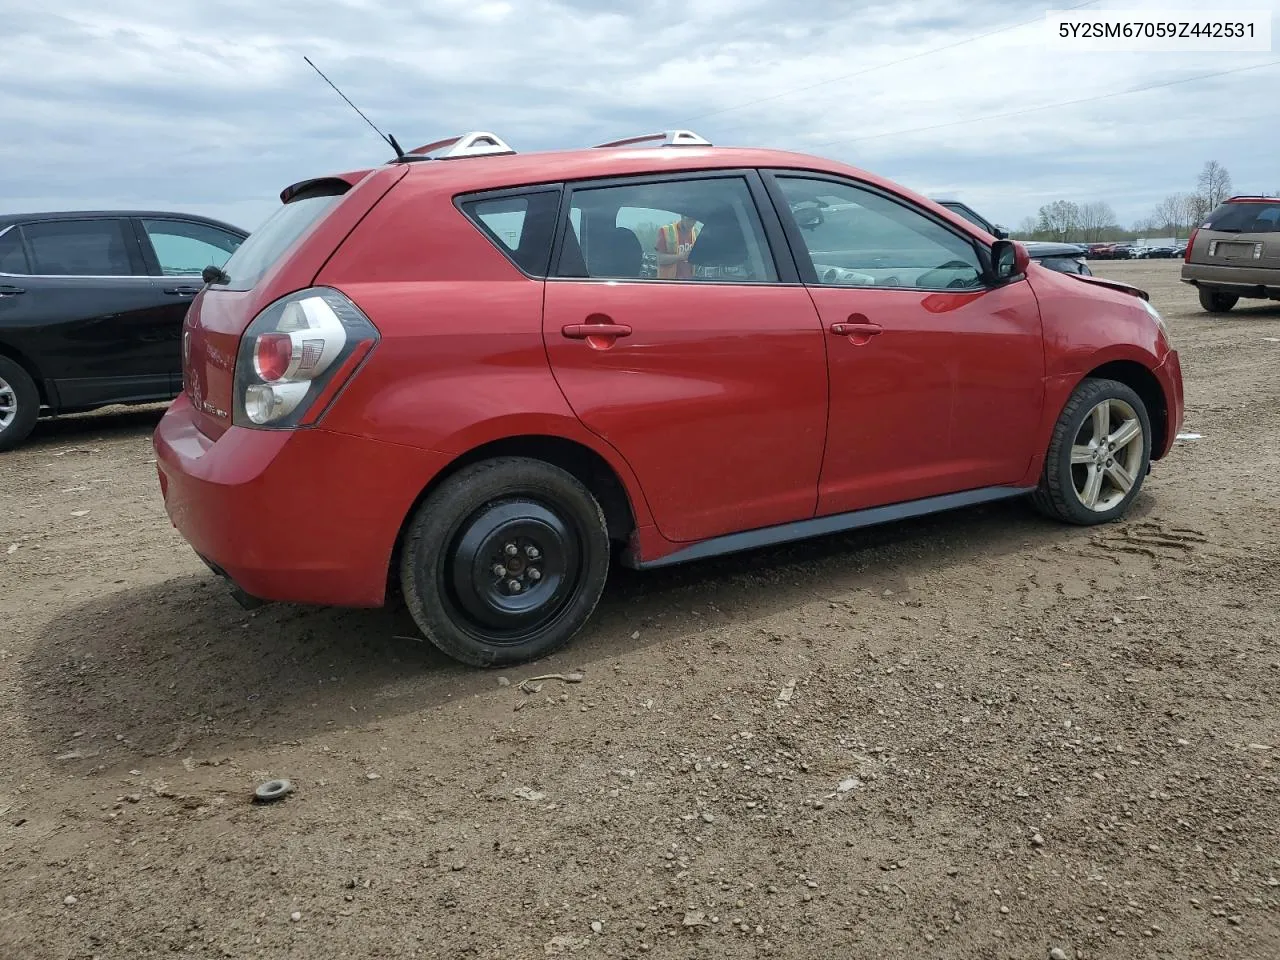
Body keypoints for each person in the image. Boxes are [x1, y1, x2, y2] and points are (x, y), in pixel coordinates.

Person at [654, 212, 701, 280]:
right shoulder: (666, 231)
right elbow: (659, 259)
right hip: (668, 284)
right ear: (682, 216)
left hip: (689, 283)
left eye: (694, 220)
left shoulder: (696, 233)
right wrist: (680, 257)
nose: (691, 223)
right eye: (689, 219)